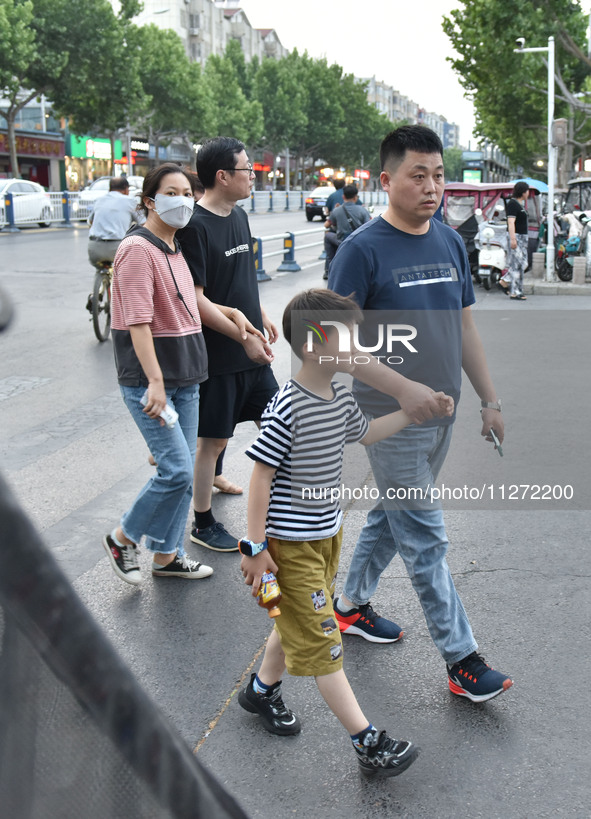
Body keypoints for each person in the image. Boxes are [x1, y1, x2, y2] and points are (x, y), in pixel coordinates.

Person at [328, 125, 513, 703]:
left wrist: (490, 400)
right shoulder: (361, 251)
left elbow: (464, 327)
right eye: (418, 175)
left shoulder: (449, 241)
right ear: (386, 181)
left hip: (445, 414)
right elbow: (329, 341)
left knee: (394, 513)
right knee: (426, 537)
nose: (432, 187)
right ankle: (462, 660)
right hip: (393, 420)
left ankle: (349, 606)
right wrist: (404, 390)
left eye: (438, 175)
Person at [237, 289, 454, 777]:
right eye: (349, 337)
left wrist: (417, 411)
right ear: (315, 343)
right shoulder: (288, 406)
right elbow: (260, 477)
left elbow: (367, 432)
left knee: (296, 619)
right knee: (323, 641)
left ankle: (260, 692)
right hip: (289, 547)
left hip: (325, 537)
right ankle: (367, 741)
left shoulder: (335, 397)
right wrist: (254, 547)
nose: (360, 347)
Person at [177, 137, 278, 553]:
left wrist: (261, 317)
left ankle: (285, 506)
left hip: (252, 351)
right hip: (219, 357)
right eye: (247, 170)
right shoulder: (195, 227)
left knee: (278, 425)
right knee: (212, 441)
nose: (253, 176)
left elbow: (244, 279)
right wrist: (242, 335)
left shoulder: (238, 215)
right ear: (222, 176)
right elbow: (198, 300)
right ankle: (202, 522)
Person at [87, 177, 140, 267]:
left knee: (100, 268)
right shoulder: (130, 201)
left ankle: (101, 276)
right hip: (118, 247)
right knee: (130, 268)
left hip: (94, 248)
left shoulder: (99, 200)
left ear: (110, 189)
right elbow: (144, 224)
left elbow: (90, 221)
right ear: (126, 189)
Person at [323, 184, 371, 279]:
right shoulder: (362, 210)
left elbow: (326, 225)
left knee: (327, 236)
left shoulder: (337, 210)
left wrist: (334, 212)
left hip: (341, 241)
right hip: (359, 242)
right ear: (355, 197)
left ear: (343, 196)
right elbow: (369, 226)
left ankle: (329, 268)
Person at [505, 181, 530, 300]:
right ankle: (515, 291)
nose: (528, 193)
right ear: (523, 192)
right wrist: (513, 238)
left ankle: (505, 282)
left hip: (523, 237)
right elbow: (511, 222)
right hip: (517, 236)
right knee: (517, 265)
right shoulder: (512, 204)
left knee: (523, 264)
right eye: (527, 191)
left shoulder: (521, 204)